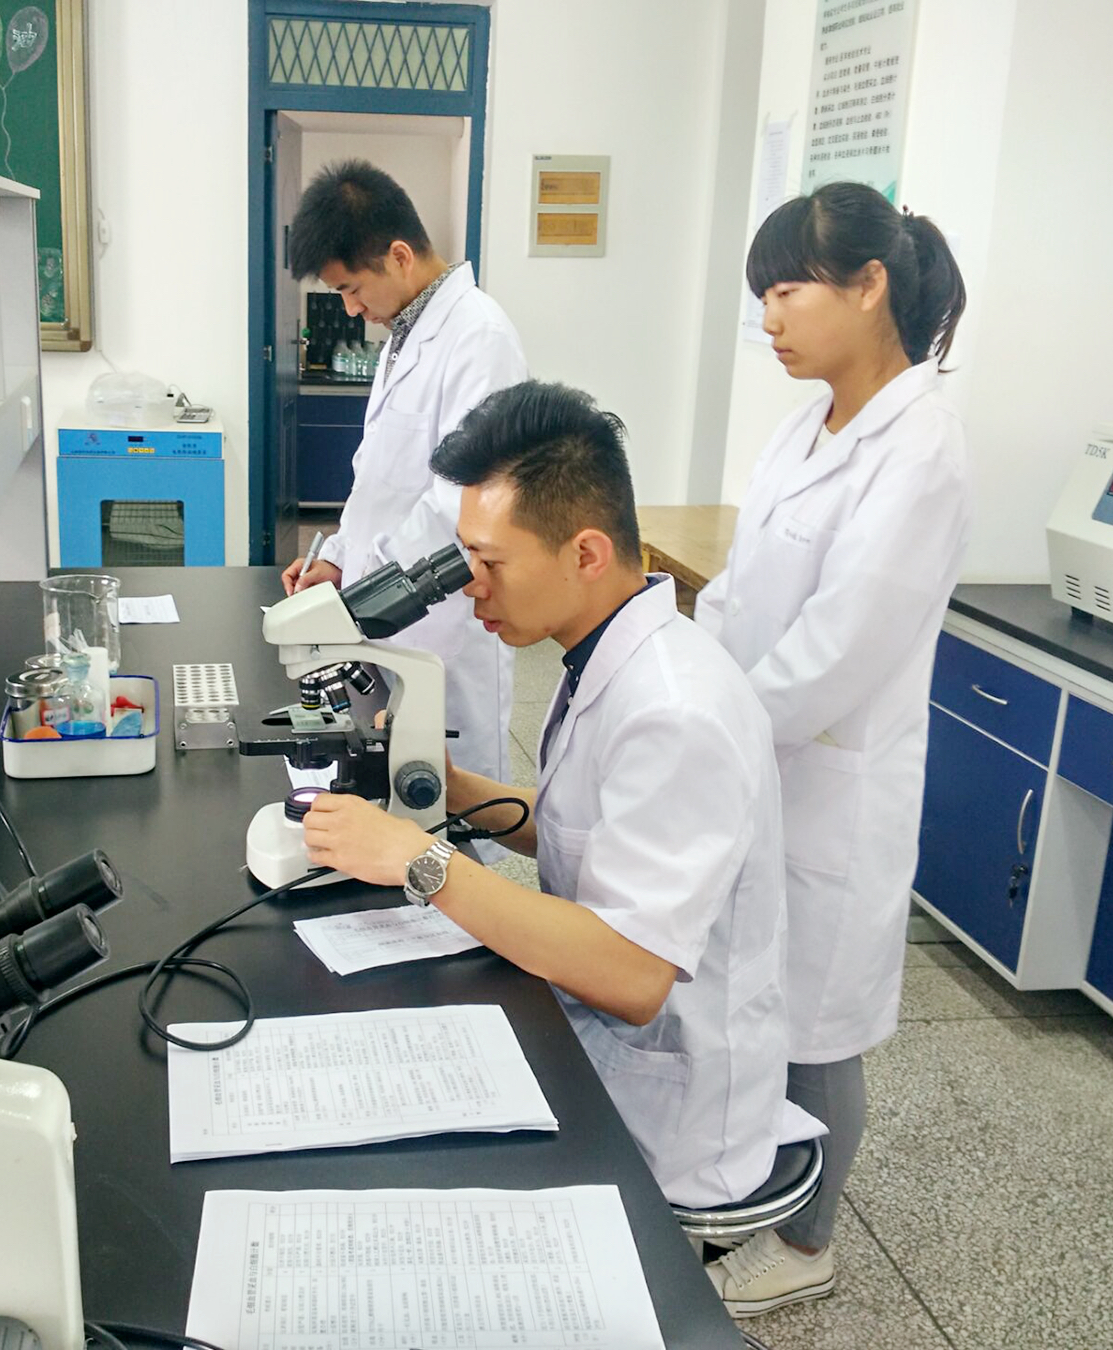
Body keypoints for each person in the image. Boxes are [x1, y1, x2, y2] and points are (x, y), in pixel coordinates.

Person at [299, 380, 802, 1211]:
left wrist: (420, 861)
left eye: (490, 563)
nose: (470, 586)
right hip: (589, 1033)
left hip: (661, 1111)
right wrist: (458, 792)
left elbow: (633, 973)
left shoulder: (677, 711)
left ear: (586, 554)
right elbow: (584, 825)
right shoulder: (607, 652)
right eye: (464, 559)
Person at [693, 181, 972, 1316]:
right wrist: (691, 684)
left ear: (869, 287)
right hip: (756, 754)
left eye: (788, 291)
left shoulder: (923, 449)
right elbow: (739, 591)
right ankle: (745, 1192)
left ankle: (807, 1244)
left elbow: (840, 647)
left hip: (830, 786)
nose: (768, 317)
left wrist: (717, 731)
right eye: (762, 295)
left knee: (815, 1027)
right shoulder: (803, 424)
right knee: (750, 998)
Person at [282, 160, 526, 782]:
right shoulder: (402, 335)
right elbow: (377, 478)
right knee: (390, 778)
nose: (350, 309)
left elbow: (459, 501)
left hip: (443, 620)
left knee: (455, 798)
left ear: (398, 256)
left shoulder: (480, 338)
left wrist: (361, 584)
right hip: (385, 606)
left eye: (352, 289)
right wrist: (338, 558)